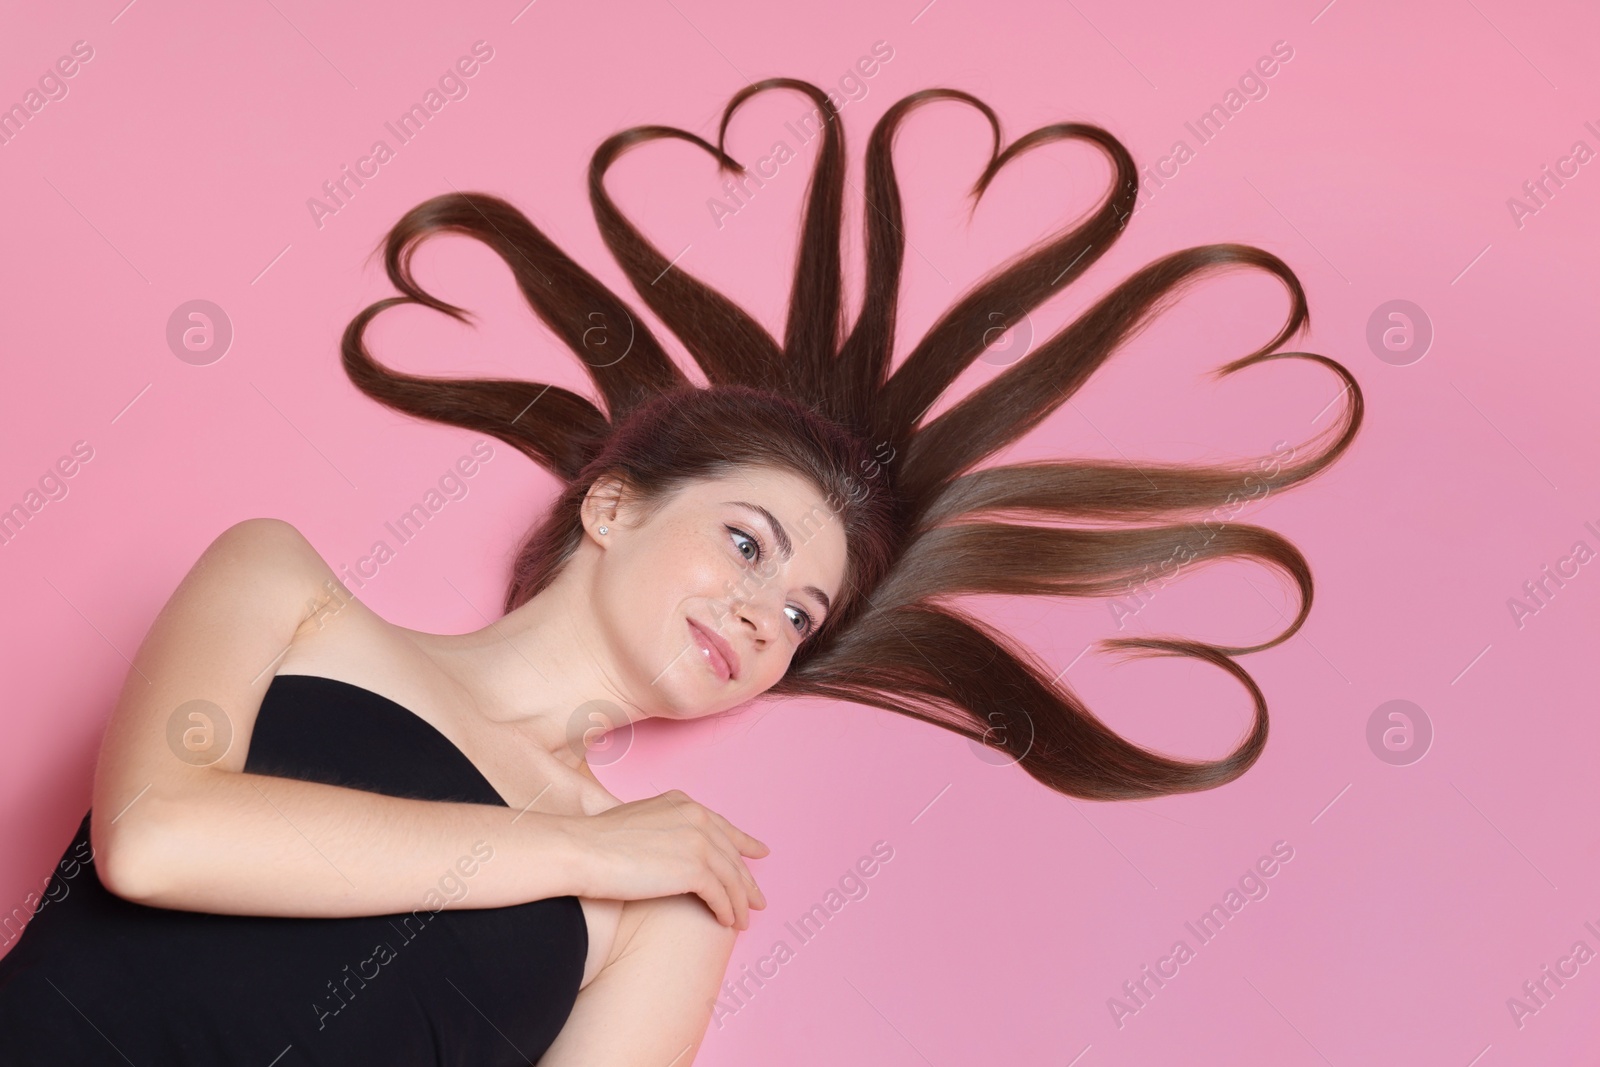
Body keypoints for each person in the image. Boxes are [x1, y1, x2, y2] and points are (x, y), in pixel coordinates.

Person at [0, 77, 1362, 1064]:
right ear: (610, 508)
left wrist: (604, 857)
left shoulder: (671, 899)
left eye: (796, 616)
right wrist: (568, 847)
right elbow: (161, 839)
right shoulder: (284, 587)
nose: (759, 615)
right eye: (748, 544)